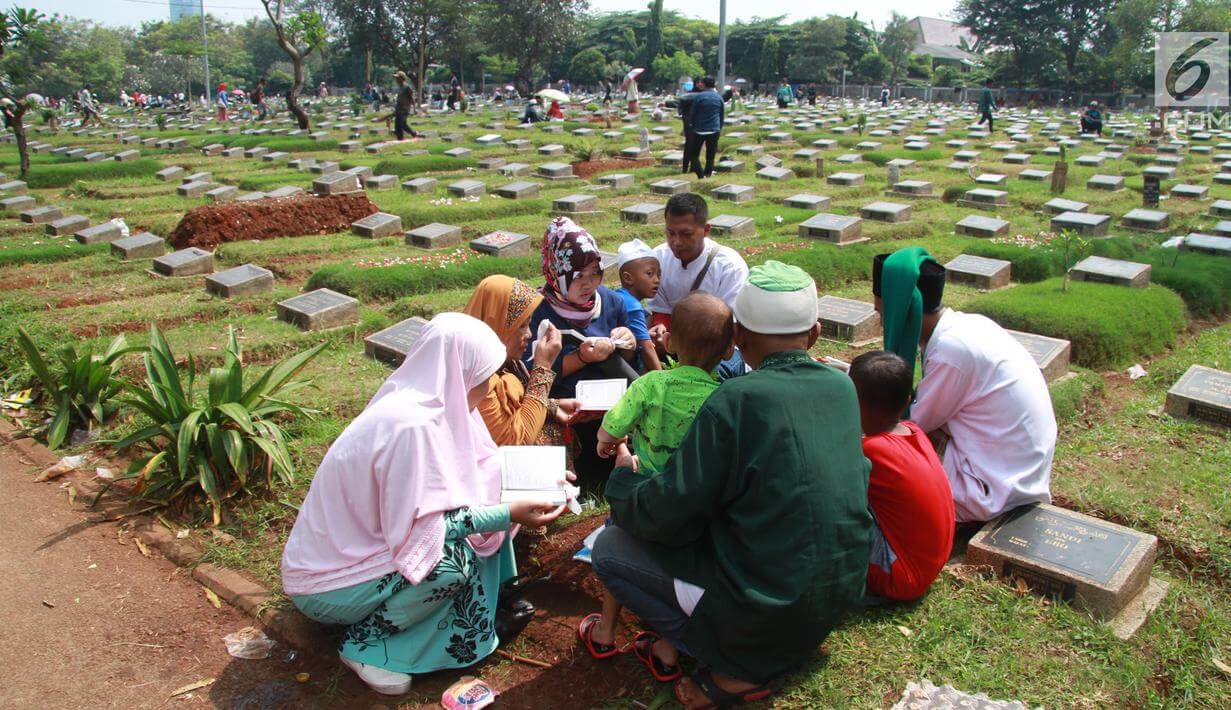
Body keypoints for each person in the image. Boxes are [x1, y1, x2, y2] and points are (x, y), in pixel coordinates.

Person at [590, 261, 872, 708]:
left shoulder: (735, 400)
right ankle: (775, 643)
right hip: (839, 593)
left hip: (764, 606)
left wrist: (623, 482)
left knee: (609, 548)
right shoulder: (842, 387)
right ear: (815, 334)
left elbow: (668, 510)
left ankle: (727, 664)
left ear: (739, 338)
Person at [281, 313, 567, 695]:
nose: (488, 384)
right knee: (449, 562)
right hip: (328, 584)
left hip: (366, 546)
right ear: (457, 370)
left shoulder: (436, 402)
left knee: (481, 520)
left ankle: (479, 615)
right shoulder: (412, 426)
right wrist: (510, 512)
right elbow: (432, 526)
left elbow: (483, 467)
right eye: (484, 374)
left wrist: (543, 476)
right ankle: (367, 647)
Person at [580, 293, 733, 660]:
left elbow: (612, 426)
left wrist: (607, 444)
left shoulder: (651, 385)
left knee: (617, 539)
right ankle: (667, 651)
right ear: (729, 349)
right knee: (677, 564)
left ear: (670, 342)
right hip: (693, 507)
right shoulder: (724, 396)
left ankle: (605, 631)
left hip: (644, 495)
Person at [873, 248, 1056, 523]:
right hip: (1017, 473)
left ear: (904, 310)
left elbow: (910, 422)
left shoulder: (952, 350)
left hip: (991, 490)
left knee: (879, 443)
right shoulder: (967, 325)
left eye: (882, 312)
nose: (880, 321)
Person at [523, 217, 638, 480]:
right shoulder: (539, 311)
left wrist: (628, 342)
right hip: (566, 413)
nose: (589, 284)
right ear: (556, 274)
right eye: (578, 277)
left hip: (614, 412)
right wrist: (581, 357)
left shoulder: (611, 302)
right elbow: (533, 372)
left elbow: (632, 364)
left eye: (595, 273)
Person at [848, 350, 954, 602]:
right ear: (907, 401)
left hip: (900, 576)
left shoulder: (871, 451)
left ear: (851, 399)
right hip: (927, 564)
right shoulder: (912, 430)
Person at [462, 275, 580, 445]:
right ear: (495, 324)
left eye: (529, 325)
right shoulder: (478, 380)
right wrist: (543, 367)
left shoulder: (508, 364)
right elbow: (518, 442)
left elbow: (519, 406)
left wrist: (552, 406)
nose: (529, 335)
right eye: (521, 326)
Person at [646, 194, 748, 379]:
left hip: (717, 348)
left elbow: (729, 328)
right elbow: (660, 310)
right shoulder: (657, 259)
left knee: (717, 376)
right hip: (674, 344)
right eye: (670, 233)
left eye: (686, 234)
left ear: (706, 229)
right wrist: (661, 329)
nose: (676, 242)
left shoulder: (729, 266)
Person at [614, 239, 663, 372]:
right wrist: (663, 381)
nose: (657, 280)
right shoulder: (631, 305)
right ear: (628, 278)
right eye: (650, 274)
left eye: (659, 274)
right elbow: (647, 349)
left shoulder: (619, 296)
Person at [682, 77, 724, 180]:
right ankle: (708, 175)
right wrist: (719, 128)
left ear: (704, 85)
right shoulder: (719, 98)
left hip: (699, 130)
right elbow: (721, 115)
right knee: (710, 156)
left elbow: (692, 114)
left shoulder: (699, 97)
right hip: (714, 129)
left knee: (694, 155)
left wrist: (690, 126)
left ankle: (701, 176)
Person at [390, 71, 418, 141]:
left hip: (404, 109)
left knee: (400, 125)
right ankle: (413, 133)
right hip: (399, 109)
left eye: (397, 78)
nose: (396, 79)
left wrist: (414, 109)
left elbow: (412, 98)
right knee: (402, 125)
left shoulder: (407, 87)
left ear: (402, 78)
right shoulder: (400, 88)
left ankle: (400, 139)